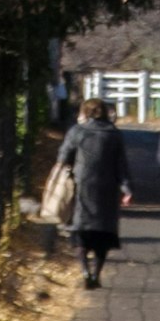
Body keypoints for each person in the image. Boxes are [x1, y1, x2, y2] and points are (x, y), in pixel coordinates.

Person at [65, 101, 127, 287]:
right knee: (103, 233)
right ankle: (96, 274)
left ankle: (84, 270)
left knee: (81, 232)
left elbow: (65, 155)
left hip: (82, 185)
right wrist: (126, 187)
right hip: (107, 188)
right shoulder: (114, 134)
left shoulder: (77, 131)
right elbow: (121, 164)